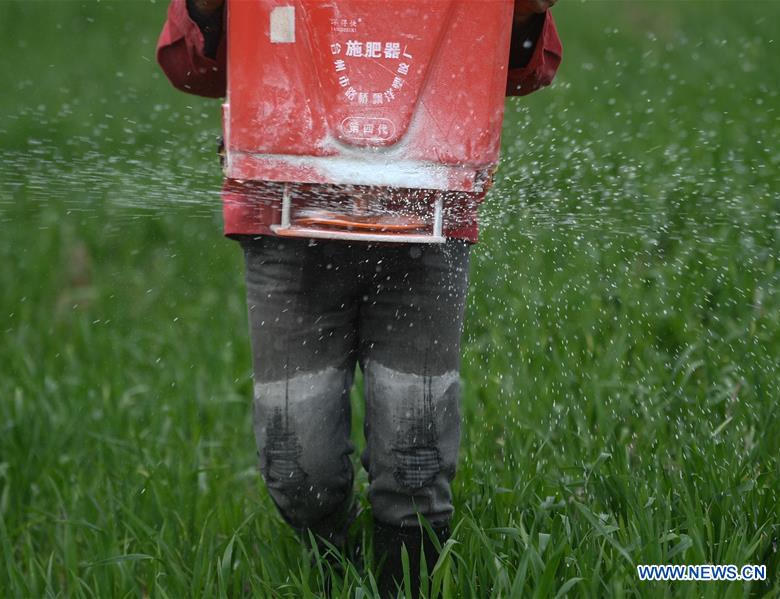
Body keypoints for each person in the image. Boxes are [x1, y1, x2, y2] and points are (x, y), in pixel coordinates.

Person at [157, 1, 562, 596]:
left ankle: (405, 584)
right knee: (299, 468)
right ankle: (330, 572)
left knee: (414, 462)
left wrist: (525, 18)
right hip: (286, 222)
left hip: (423, 219)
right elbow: (190, 67)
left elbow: (521, 67)